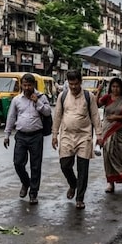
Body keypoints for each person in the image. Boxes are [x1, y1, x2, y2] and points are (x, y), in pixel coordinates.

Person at [52, 70, 101, 209]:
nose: (73, 87)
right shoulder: (63, 96)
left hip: (84, 136)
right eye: (71, 84)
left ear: (81, 82)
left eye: (76, 84)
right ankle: (73, 184)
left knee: (83, 168)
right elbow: (57, 116)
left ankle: (80, 198)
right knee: (65, 165)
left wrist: (99, 135)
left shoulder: (88, 96)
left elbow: (95, 116)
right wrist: (54, 135)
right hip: (67, 135)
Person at [4, 73, 51, 205]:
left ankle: (33, 193)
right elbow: (11, 117)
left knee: (36, 166)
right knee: (18, 163)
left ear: (33, 85)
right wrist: (7, 135)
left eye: (29, 85)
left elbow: (47, 112)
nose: (27, 87)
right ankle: (26, 183)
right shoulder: (17, 99)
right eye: (24, 85)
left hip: (36, 136)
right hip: (21, 135)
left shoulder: (41, 97)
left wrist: (38, 102)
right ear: (21, 85)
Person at [97, 77, 122, 193]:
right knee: (108, 153)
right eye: (113, 86)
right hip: (108, 128)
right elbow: (96, 105)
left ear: (121, 87)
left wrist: (117, 117)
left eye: (117, 87)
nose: (115, 89)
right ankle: (111, 183)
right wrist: (99, 91)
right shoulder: (107, 98)